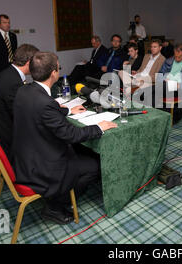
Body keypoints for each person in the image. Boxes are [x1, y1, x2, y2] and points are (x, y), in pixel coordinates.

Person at [12, 52, 117, 224]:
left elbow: (42, 110)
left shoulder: (25, 90)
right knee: (95, 165)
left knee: (83, 153)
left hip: (26, 155)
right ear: (54, 72)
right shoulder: (45, 103)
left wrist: (67, 110)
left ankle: (59, 195)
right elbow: (71, 135)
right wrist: (99, 126)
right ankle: (55, 204)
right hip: (42, 166)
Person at [0, 44, 39, 159]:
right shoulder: (12, 82)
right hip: (7, 138)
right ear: (28, 62)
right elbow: (24, 114)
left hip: (0, 126)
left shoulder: (8, 73)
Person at [158, 43, 182, 123]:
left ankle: (169, 118)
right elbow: (160, 74)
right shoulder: (169, 61)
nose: (177, 59)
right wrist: (165, 78)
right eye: (175, 56)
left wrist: (180, 85)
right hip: (167, 86)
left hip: (181, 89)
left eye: (179, 57)